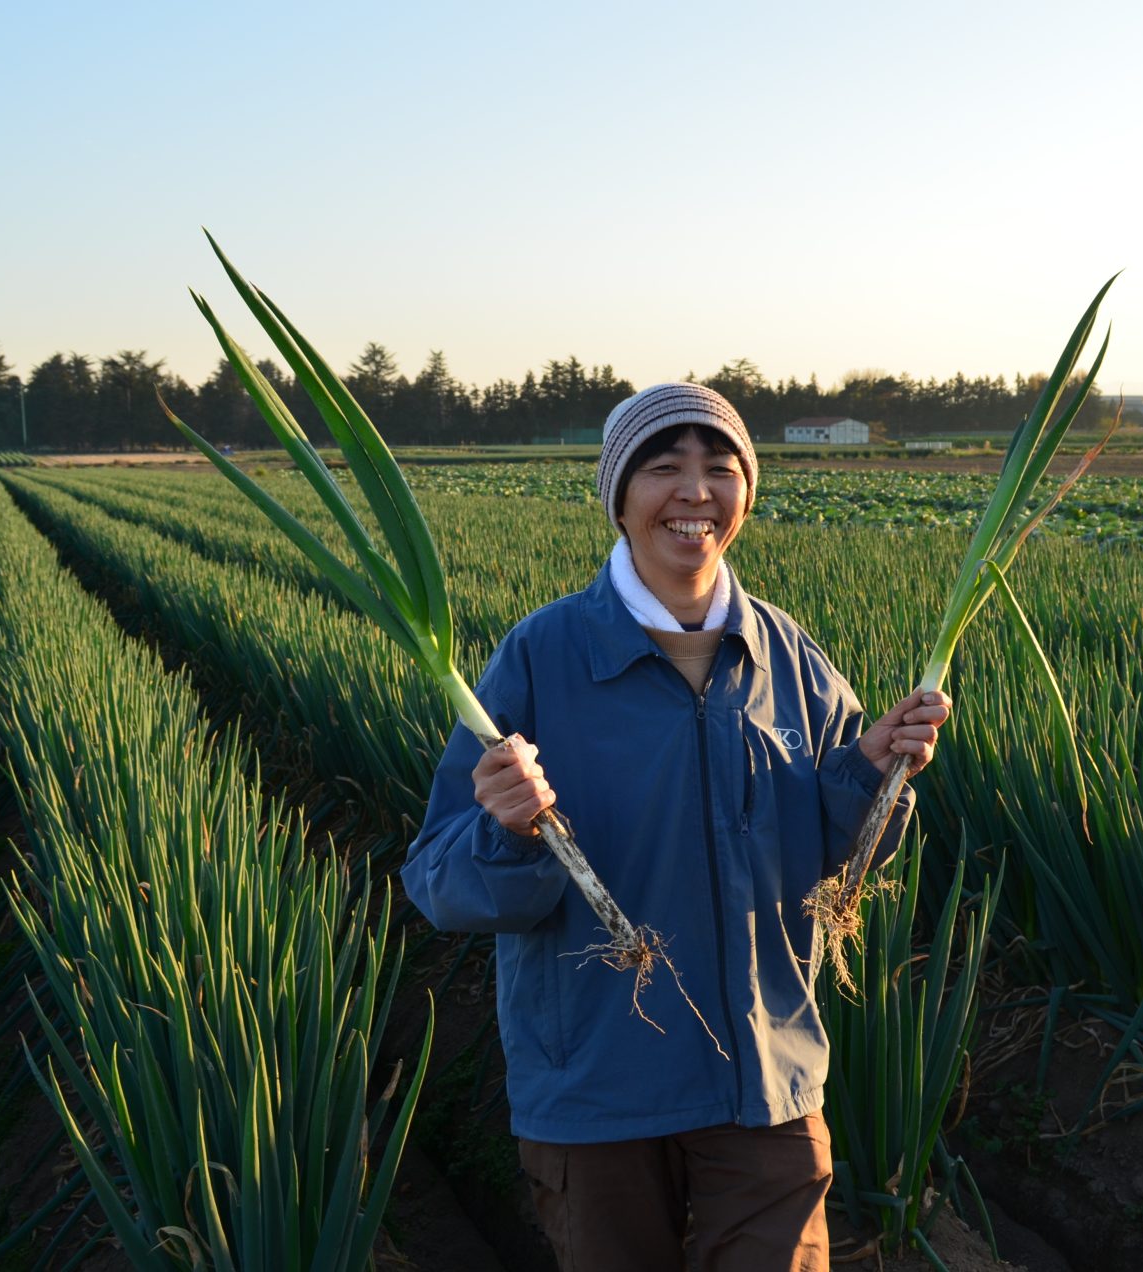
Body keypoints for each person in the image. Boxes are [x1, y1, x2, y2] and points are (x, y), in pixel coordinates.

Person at [401, 382, 950, 1272]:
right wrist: (505, 830)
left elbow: (831, 864)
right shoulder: (542, 658)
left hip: (764, 1081)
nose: (695, 492)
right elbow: (442, 881)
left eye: (720, 470)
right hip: (600, 1091)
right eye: (664, 468)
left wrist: (870, 775)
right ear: (619, 497)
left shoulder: (791, 660)